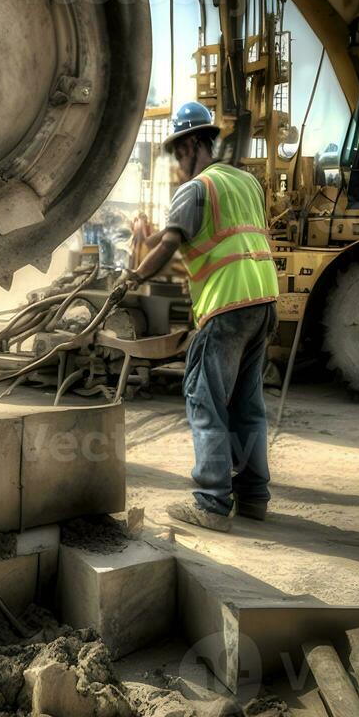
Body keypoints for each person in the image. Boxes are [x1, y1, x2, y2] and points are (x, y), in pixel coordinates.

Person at [124, 102, 279, 533]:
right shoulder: (246, 183)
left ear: (193, 143)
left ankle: (211, 502)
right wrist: (145, 237)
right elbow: (198, 234)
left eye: (178, 151)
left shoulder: (195, 189)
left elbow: (172, 244)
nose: (177, 161)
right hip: (263, 301)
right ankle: (253, 497)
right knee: (247, 404)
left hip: (226, 306)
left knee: (204, 398)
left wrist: (133, 276)